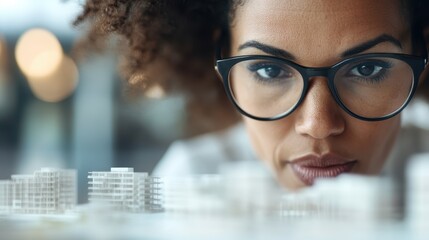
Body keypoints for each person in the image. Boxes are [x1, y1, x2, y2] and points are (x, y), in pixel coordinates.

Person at [74, 0, 429, 190]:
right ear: (219, 57)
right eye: (270, 70)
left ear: (422, 58)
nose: (318, 125)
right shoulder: (191, 185)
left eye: (367, 69)